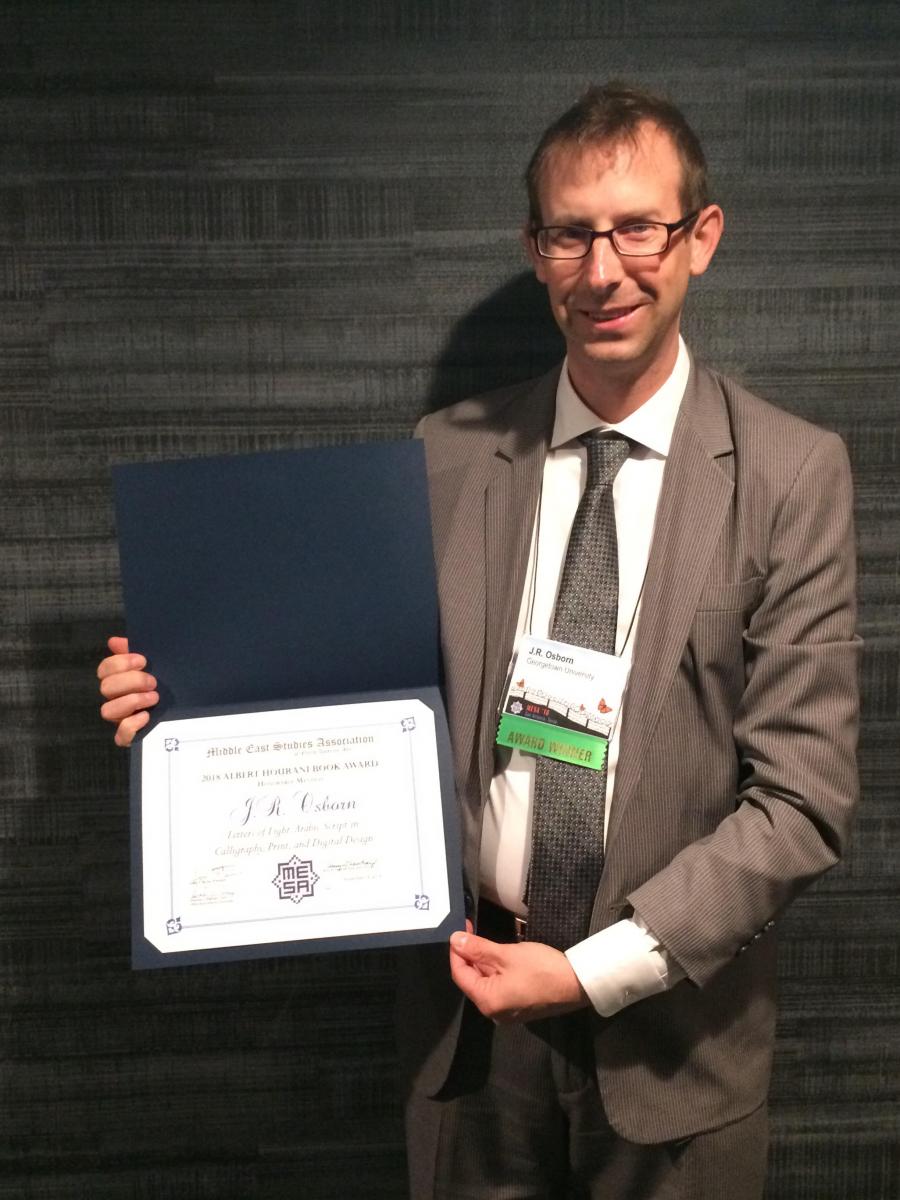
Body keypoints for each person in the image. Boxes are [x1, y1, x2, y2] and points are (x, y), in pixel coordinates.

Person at [97, 83, 860, 1199]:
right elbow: (351, 686)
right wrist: (186, 713)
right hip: (468, 1024)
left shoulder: (793, 474)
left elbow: (801, 803)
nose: (604, 271)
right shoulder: (446, 455)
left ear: (702, 236)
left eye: (637, 227)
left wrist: (591, 973)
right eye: (571, 233)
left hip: (675, 1041)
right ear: (535, 247)